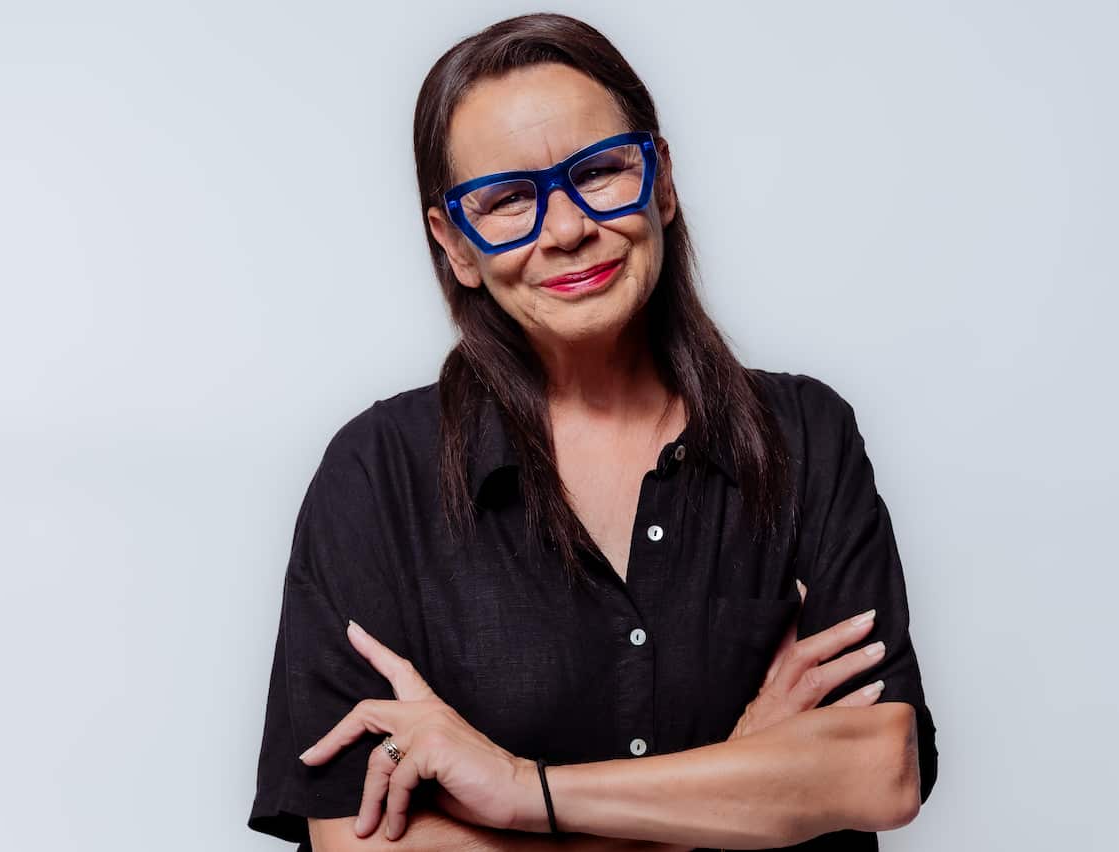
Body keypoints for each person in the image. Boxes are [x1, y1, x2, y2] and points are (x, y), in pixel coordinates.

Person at [248, 12, 938, 852]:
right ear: (455, 246)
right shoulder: (376, 478)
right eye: (506, 200)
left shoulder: (805, 437)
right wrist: (741, 776)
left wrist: (516, 795)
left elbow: (878, 773)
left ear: (664, 180)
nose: (567, 228)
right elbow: (363, 843)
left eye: (601, 172)